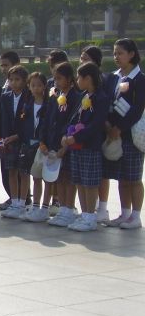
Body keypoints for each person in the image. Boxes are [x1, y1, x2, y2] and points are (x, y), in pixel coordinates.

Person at [62, 62, 110, 231]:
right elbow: (74, 118)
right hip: (76, 146)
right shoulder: (83, 95)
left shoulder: (101, 98)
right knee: (80, 180)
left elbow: (96, 124)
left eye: (79, 77)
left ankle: (91, 216)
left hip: (90, 145)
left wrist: (77, 137)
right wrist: (67, 134)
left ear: (88, 78)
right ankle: (84, 214)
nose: (77, 80)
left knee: (90, 182)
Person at [103, 38, 145, 229]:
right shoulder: (113, 77)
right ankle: (124, 212)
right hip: (113, 134)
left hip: (131, 135)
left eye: (120, 53)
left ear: (132, 54)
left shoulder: (140, 79)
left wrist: (120, 128)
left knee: (134, 177)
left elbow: (137, 109)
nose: (116, 57)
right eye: (115, 53)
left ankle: (136, 216)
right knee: (121, 177)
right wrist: (109, 126)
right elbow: (107, 103)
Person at [80, 45, 118, 223]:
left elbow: (109, 102)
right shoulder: (82, 81)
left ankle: (102, 207)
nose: (82, 61)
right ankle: (89, 207)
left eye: (85, 58)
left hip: (103, 128)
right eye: (81, 58)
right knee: (88, 173)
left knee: (101, 172)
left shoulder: (107, 79)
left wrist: (108, 124)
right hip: (87, 131)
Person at [42, 62, 82, 227]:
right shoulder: (55, 96)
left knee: (69, 177)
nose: (56, 82)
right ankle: (62, 208)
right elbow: (48, 118)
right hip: (53, 141)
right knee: (59, 177)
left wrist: (64, 145)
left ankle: (68, 208)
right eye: (55, 78)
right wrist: (44, 140)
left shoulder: (76, 97)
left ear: (69, 78)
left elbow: (72, 122)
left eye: (59, 78)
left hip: (66, 144)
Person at [0, 65, 30, 219]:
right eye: (11, 79)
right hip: (9, 140)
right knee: (11, 170)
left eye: (17, 79)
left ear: (25, 81)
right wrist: (5, 137)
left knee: (23, 172)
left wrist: (18, 135)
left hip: (23, 139)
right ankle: (15, 201)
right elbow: (3, 118)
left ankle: (23, 203)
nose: (13, 83)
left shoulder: (29, 96)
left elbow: (28, 121)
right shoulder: (5, 96)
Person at [21, 72, 49, 222]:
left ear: (44, 86)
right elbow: (23, 123)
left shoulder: (50, 103)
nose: (36, 88)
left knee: (47, 178)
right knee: (35, 176)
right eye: (33, 85)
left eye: (39, 85)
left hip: (44, 145)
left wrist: (44, 141)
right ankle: (36, 206)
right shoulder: (27, 103)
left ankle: (45, 207)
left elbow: (50, 125)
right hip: (30, 145)